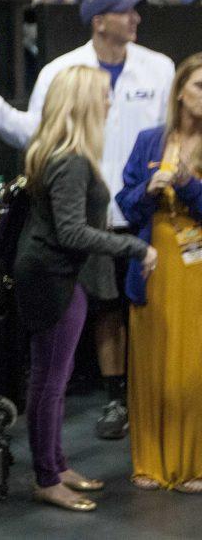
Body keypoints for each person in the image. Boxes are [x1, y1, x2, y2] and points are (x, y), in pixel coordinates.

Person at [0, 0, 175, 440]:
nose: (135, 20)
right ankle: (115, 399)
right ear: (98, 20)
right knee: (104, 308)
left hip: (143, 204)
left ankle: (153, 395)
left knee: (149, 308)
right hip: (90, 213)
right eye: (125, 13)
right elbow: (38, 132)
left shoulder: (159, 66)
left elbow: (171, 130)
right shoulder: (61, 71)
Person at [14, 65, 156, 512]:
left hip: (54, 273)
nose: (111, 101)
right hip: (52, 276)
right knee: (49, 382)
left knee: (52, 378)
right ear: (83, 103)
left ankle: (56, 465)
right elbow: (73, 232)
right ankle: (47, 477)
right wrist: (134, 247)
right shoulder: (70, 160)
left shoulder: (57, 152)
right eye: (103, 95)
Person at [117, 53, 202, 495]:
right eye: (200, 86)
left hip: (197, 268)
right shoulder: (150, 140)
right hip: (152, 261)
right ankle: (148, 459)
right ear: (180, 92)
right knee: (150, 361)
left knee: (192, 367)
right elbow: (126, 204)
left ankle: (194, 463)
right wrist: (145, 193)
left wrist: (189, 185)